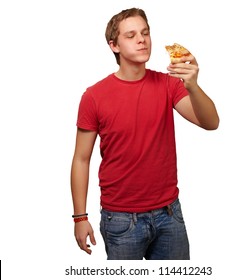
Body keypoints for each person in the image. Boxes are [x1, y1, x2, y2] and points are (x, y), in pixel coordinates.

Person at [70, 7, 219, 260]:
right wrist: (80, 217)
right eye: (131, 35)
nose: (142, 39)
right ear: (114, 45)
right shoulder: (94, 96)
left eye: (145, 33)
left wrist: (192, 85)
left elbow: (210, 122)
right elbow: (81, 159)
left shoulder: (169, 85)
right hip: (121, 219)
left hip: (169, 215)